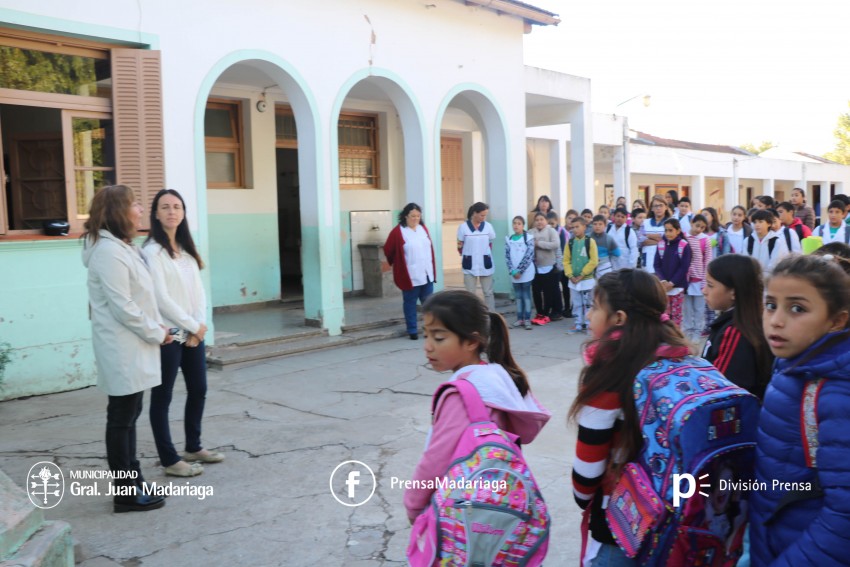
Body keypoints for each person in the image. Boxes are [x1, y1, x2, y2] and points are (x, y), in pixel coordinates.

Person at [570, 269, 692, 566]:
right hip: (677, 512)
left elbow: (588, 467)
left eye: (596, 307)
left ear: (620, 318)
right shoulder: (683, 358)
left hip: (623, 522)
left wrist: (584, 499)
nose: (588, 316)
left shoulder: (610, 373)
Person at [404, 290, 550, 523]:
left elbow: (436, 459)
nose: (428, 346)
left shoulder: (461, 394)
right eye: (426, 335)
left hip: (462, 512)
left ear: (472, 341)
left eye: (439, 338)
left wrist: (413, 504)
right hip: (494, 503)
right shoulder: (497, 375)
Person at [749, 254, 850, 565]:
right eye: (770, 305)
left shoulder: (836, 394)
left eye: (797, 309)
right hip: (772, 536)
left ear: (836, 320)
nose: (776, 320)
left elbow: (844, 516)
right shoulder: (794, 365)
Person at [81, 185, 169, 513]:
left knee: (129, 415)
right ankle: (125, 491)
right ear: (119, 210)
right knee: (121, 418)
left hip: (133, 343)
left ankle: (133, 480)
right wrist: (156, 333)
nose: (140, 208)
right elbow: (124, 306)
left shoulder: (122, 247)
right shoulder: (108, 253)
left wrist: (157, 329)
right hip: (122, 346)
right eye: (134, 203)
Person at [143, 189, 220, 479]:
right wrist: (190, 326)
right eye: (165, 207)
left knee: (198, 389)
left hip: (192, 334)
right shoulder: (152, 251)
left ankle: (193, 446)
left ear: (184, 213)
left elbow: (198, 292)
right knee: (162, 397)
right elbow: (161, 298)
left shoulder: (186, 251)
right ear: (156, 214)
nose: (172, 211)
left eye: (177, 207)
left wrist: (199, 327)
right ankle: (169, 459)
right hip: (169, 335)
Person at [701, 255, 773, 398]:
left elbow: (720, 387)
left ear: (733, 292)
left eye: (710, 285)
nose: (704, 290)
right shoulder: (736, 323)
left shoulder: (735, 333)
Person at [384, 203, 436, 340]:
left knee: (429, 304)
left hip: (426, 273)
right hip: (410, 275)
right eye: (413, 216)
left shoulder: (423, 229)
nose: (415, 219)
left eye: (418, 216)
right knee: (410, 303)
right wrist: (397, 262)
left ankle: (429, 329)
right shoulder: (398, 231)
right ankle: (412, 329)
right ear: (405, 216)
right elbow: (388, 249)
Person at [457, 202, 496, 312]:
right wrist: (465, 255)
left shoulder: (488, 227)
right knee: (470, 294)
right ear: (474, 213)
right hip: (469, 263)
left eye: (485, 215)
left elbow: (490, 242)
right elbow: (460, 245)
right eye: (482, 215)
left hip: (485, 262)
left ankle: (491, 315)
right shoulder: (463, 227)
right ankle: (471, 317)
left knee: (488, 292)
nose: (484, 217)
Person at [654, 218, 691, 327]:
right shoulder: (661, 244)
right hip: (664, 287)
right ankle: (666, 337)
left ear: (678, 230)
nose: (668, 233)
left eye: (671, 230)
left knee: (676, 316)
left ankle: (675, 338)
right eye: (666, 230)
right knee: (664, 315)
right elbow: (656, 265)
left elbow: (684, 267)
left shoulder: (684, 245)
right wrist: (663, 281)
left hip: (677, 287)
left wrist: (672, 283)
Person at [564, 217, 598, 334]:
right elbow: (566, 261)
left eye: (577, 227)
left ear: (584, 227)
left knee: (588, 303)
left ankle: (589, 325)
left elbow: (593, 261)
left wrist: (582, 274)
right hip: (573, 280)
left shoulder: (590, 242)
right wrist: (570, 275)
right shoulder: (570, 243)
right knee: (577, 303)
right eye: (573, 227)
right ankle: (578, 323)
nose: (575, 229)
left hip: (587, 279)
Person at [530, 212, 562, 324]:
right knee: (536, 291)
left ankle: (546, 313)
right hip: (536, 267)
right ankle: (539, 313)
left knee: (548, 292)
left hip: (549, 266)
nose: (539, 222)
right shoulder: (531, 232)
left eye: (541, 219)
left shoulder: (551, 231)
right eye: (537, 220)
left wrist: (539, 244)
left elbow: (555, 244)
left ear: (546, 221)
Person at [505, 216, 535, 330]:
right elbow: (507, 256)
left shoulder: (529, 238)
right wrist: (512, 270)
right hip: (514, 274)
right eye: (514, 223)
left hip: (526, 273)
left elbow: (529, 256)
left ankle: (527, 319)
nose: (516, 225)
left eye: (519, 223)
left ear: (523, 225)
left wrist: (520, 271)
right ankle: (519, 319)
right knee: (518, 296)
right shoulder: (509, 239)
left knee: (526, 296)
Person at [683, 214, 710, 343]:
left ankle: (697, 332)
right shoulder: (684, 237)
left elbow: (708, 261)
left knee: (699, 309)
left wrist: (705, 281)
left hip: (700, 279)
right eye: (697, 225)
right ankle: (687, 330)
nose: (699, 229)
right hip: (687, 280)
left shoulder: (705, 240)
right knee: (687, 308)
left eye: (702, 227)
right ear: (692, 223)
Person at [743, 209, 788, 274]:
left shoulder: (777, 242)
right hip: (751, 278)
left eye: (760, 222)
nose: (757, 225)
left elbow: (774, 264)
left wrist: (762, 278)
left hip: (769, 280)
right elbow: (745, 262)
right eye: (755, 222)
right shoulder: (747, 241)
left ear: (769, 223)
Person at [640, 196, 671, 274]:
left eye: (661, 205)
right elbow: (641, 241)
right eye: (655, 206)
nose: (658, 208)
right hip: (648, 262)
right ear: (652, 208)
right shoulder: (645, 222)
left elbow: (670, 240)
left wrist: (648, 235)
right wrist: (660, 239)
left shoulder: (671, 222)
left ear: (666, 207)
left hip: (665, 261)